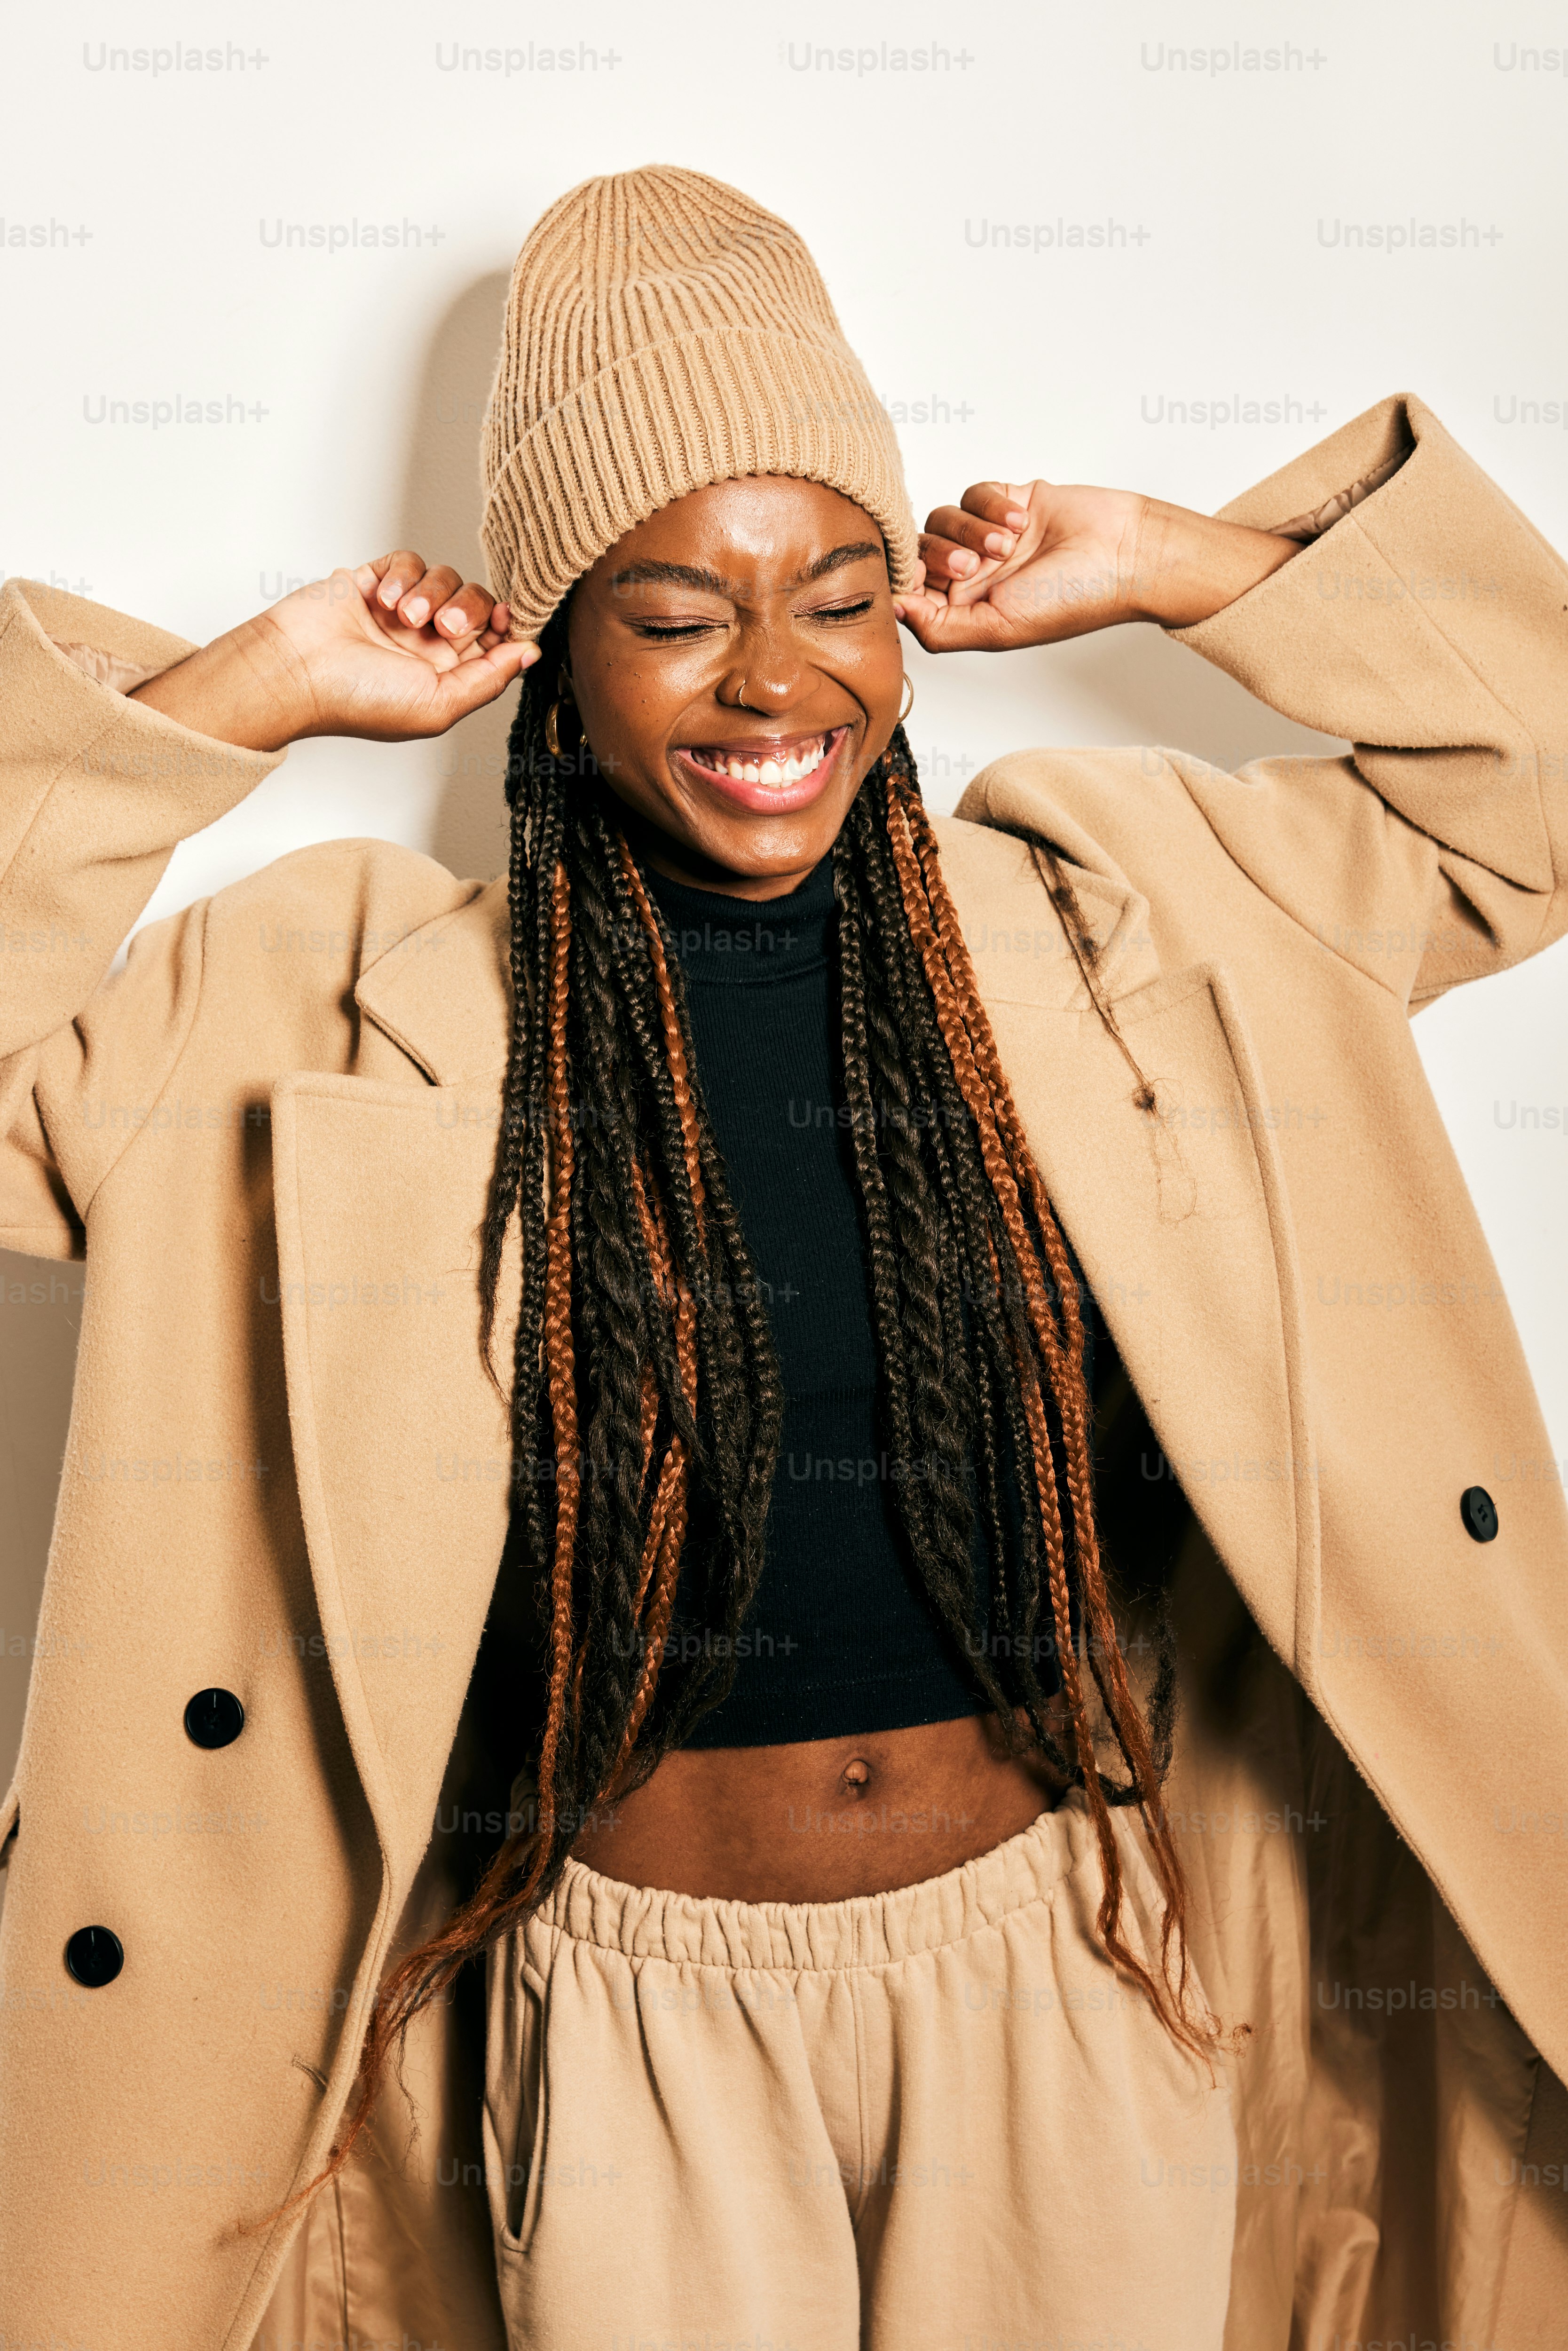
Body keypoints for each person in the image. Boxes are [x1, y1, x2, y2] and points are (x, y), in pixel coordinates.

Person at [1, 165, 1565, 2351]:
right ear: (553, 642)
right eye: (670, 614)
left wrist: (1170, 565)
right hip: (630, 2011)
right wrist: (237, 690)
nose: (774, 675)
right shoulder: (331, 1014)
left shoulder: (1122, 923)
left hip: (1075, 1959)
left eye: (838, 591)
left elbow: (1535, 781)